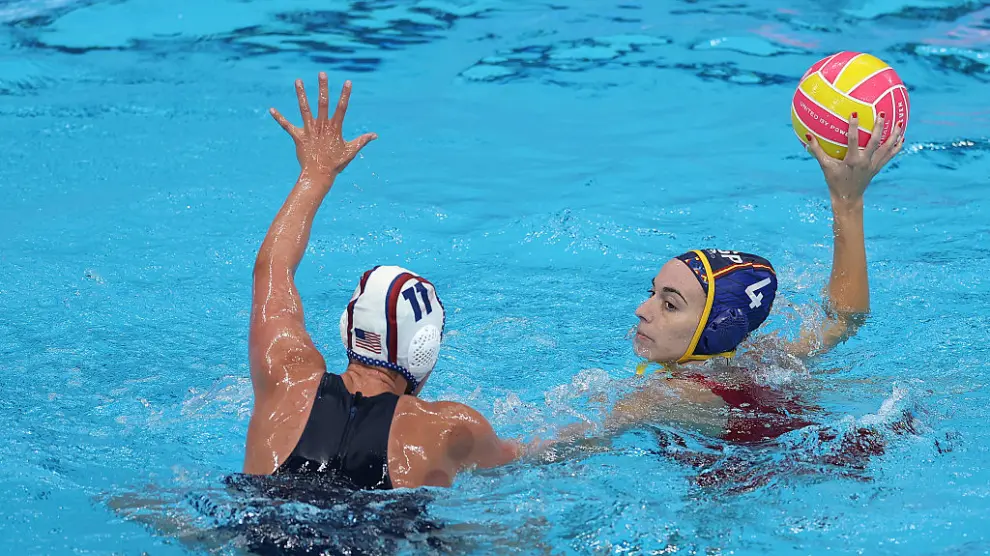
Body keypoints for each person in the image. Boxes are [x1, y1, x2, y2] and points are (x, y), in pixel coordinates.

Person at [244, 71, 533, 490]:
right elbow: (541, 457)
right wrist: (626, 412)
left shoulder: (284, 376)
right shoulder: (447, 428)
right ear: (424, 350)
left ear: (349, 328)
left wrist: (316, 174)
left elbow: (272, 270)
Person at [565, 112, 906, 446]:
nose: (642, 310)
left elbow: (579, 437)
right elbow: (844, 320)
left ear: (717, 330)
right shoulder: (763, 358)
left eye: (669, 305)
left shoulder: (672, 395)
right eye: (652, 293)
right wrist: (848, 201)